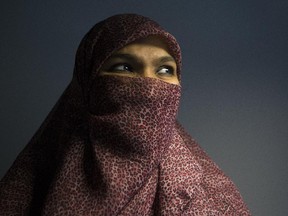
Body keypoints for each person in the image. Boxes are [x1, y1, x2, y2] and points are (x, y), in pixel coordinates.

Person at [0, 14, 250, 215]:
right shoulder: (25, 191)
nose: (150, 88)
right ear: (88, 81)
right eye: (125, 67)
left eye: (164, 69)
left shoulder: (213, 200)